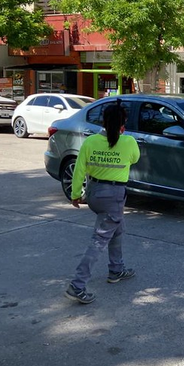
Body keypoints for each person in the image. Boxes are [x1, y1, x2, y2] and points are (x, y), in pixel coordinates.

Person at [64, 103, 140, 304]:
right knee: (98, 241)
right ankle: (77, 285)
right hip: (113, 196)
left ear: (103, 121)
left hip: (94, 194)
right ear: (123, 124)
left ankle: (116, 269)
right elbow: (135, 158)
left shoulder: (90, 142)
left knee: (117, 228)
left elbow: (79, 169)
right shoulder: (129, 142)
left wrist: (74, 194)